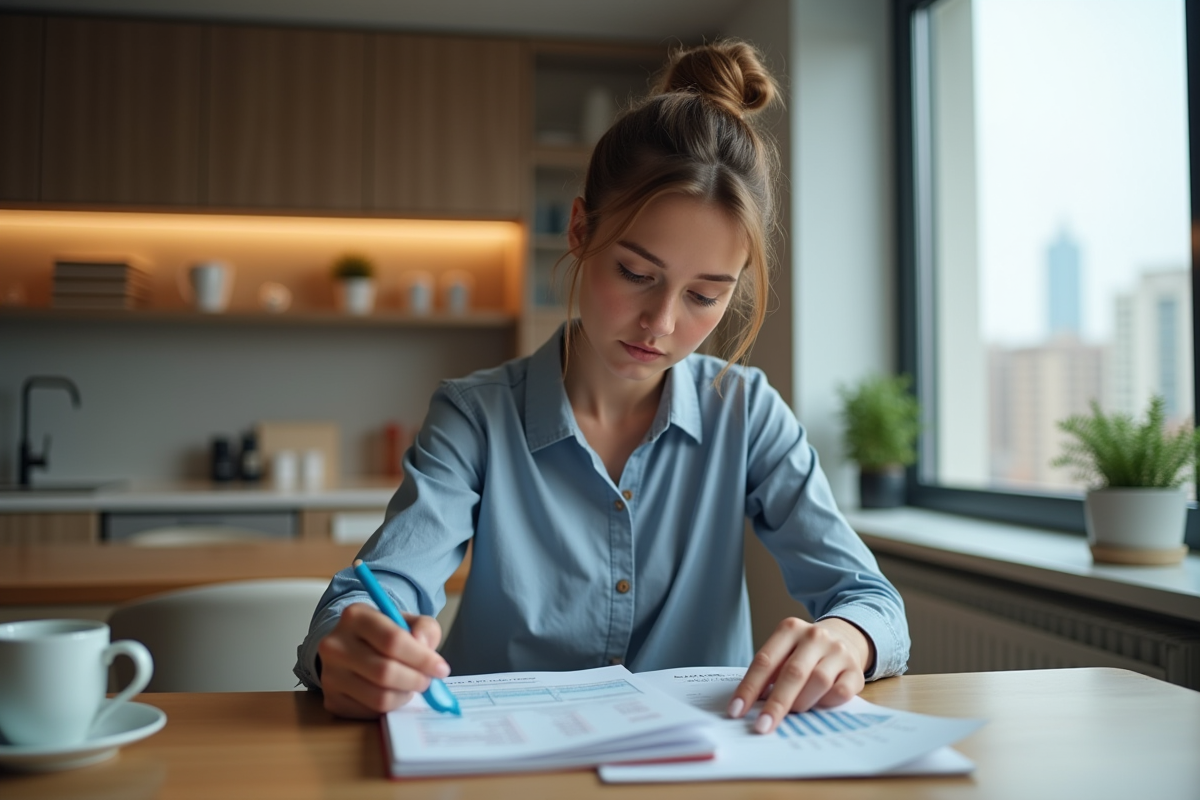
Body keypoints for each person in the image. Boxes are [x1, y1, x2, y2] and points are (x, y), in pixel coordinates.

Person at [295, 40, 909, 736]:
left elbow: (870, 600)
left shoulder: (747, 413)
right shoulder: (476, 416)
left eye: (705, 295)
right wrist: (353, 642)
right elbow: (386, 583)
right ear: (581, 230)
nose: (662, 323)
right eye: (637, 274)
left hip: (700, 770)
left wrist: (848, 638)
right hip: (506, 763)